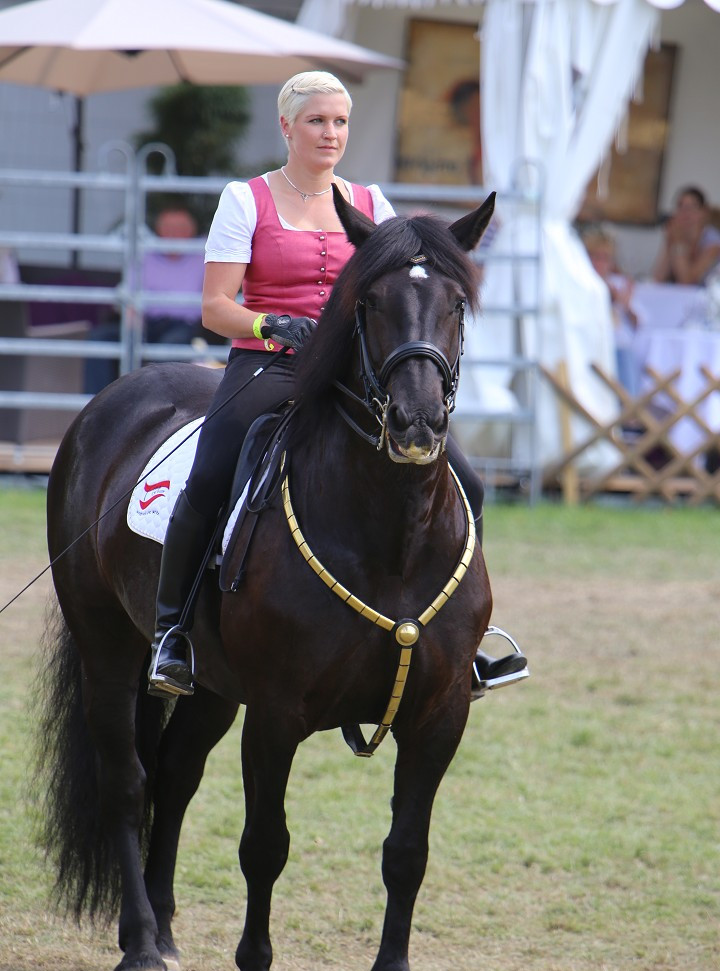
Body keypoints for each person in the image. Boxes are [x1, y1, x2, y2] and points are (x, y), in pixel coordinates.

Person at [148, 70, 528, 700]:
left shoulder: (371, 202)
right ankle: (173, 632)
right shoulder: (246, 201)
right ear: (286, 127)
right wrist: (274, 324)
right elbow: (215, 307)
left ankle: (467, 639)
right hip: (271, 363)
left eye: (340, 122)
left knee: (469, 478)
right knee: (215, 470)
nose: (331, 133)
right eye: (317, 121)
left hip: (356, 370)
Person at [84, 204, 208, 394]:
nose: (174, 234)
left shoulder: (202, 254)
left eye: (180, 229)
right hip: (145, 321)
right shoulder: (146, 253)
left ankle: (155, 407)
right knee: (99, 339)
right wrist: (131, 318)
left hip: (182, 325)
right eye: (169, 228)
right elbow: (128, 293)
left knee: (169, 348)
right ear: (159, 231)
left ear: (191, 231)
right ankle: (100, 403)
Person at [582, 226, 645, 398]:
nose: (599, 263)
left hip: (620, 348)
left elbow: (640, 324)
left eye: (605, 258)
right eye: (595, 257)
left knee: (627, 351)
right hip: (590, 345)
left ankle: (630, 409)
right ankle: (629, 408)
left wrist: (624, 304)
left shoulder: (619, 284)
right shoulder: (581, 284)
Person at [652, 186, 720, 287]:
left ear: (704, 212)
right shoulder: (677, 233)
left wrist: (678, 243)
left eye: (691, 208)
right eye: (680, 207)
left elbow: (687, 282)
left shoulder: (714, 241)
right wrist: (670, 241)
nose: (685, 214)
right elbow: (658, 278)